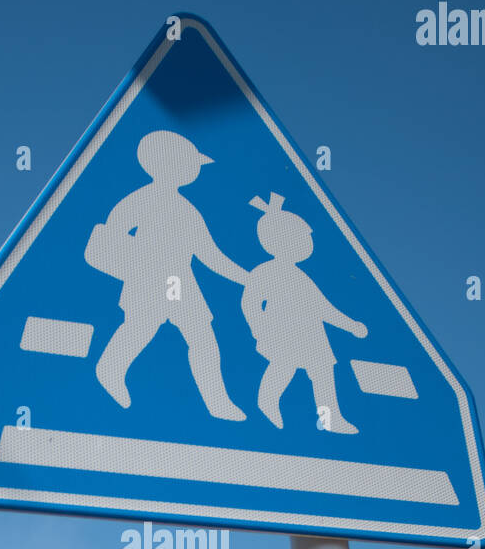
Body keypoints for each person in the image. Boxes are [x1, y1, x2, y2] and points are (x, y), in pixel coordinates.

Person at [86, 130, 247, 420]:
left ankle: (218, 402)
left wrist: (249, 279)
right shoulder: (142, 198)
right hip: (147, 278)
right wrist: (133, 262)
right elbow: (113, 229)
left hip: (182, 284)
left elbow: (210, 255)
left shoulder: (188, 211)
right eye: (191, 164)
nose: (195, 170)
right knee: (140, 328)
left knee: (203, 338)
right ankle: (110, 369)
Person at [241, 192, 366, 432]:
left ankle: (331, 419)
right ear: (280, 241)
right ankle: (266, 402)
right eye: (302, 238)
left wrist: (350, 325)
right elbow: (250, 303)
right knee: (283, 366)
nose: (308, 243)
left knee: (323, 371)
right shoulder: (264, 272)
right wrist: (259, 328)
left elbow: (322, 308)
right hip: (281, 330)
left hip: (311, 335)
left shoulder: (302, 278)